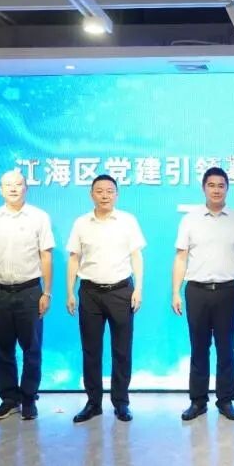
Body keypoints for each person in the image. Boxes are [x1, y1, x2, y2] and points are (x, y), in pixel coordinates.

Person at [172, 167, 234, 421]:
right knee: (198, 347)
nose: (216, 190)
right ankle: (197, 401)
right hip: (196, 291)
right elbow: (181, 257)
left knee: (226, 347)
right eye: (211, 185)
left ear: (227, 188)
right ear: (203, 188)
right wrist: (176, 292)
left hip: (227, 291)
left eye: (221, 185)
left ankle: (226, 400)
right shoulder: (190, 219)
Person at [66, 174, 145, 423]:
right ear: (91, 194)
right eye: (99, 191)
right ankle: (93, 403)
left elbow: (136, 257)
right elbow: (74, 258)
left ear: (117, 195)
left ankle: (121, 403)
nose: (104, 195)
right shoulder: (81, 223)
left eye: (110, 191)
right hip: (90, 292)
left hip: (121, 291)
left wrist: (138, 289)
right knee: (91, 350)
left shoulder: (127, 221)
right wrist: (70, 291)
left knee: (122, 350)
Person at [0, 169, 54, 421]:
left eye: (18, 184)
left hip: (29, 291)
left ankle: (29, 398)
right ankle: (9, 399)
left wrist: (47, 292)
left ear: (25, 188)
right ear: (0, 190)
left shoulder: (39, 217)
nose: (13, 188)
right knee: (3, 351)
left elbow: (46, 255)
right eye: (8, 185)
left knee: (32, 349)